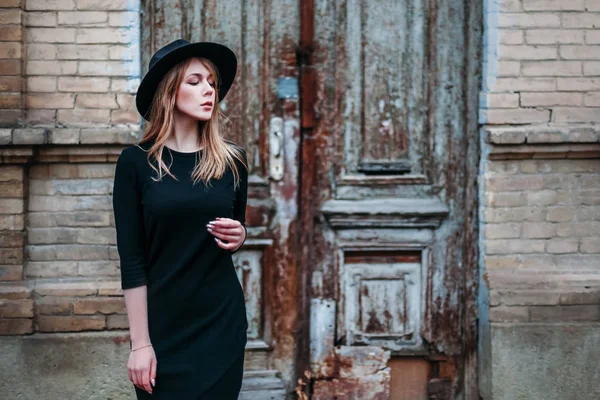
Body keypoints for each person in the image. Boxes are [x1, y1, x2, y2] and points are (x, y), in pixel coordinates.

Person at [112, 39, 249, 399]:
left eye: (212, 83)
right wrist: (140, 344)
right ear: (169, 92)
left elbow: (236, 228)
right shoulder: (135, 164)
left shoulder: (233, 162)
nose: (209, 90)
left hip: (220, 322)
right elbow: (133, 259)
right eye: (195, 81)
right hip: (163, 327)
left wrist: (241, 235)